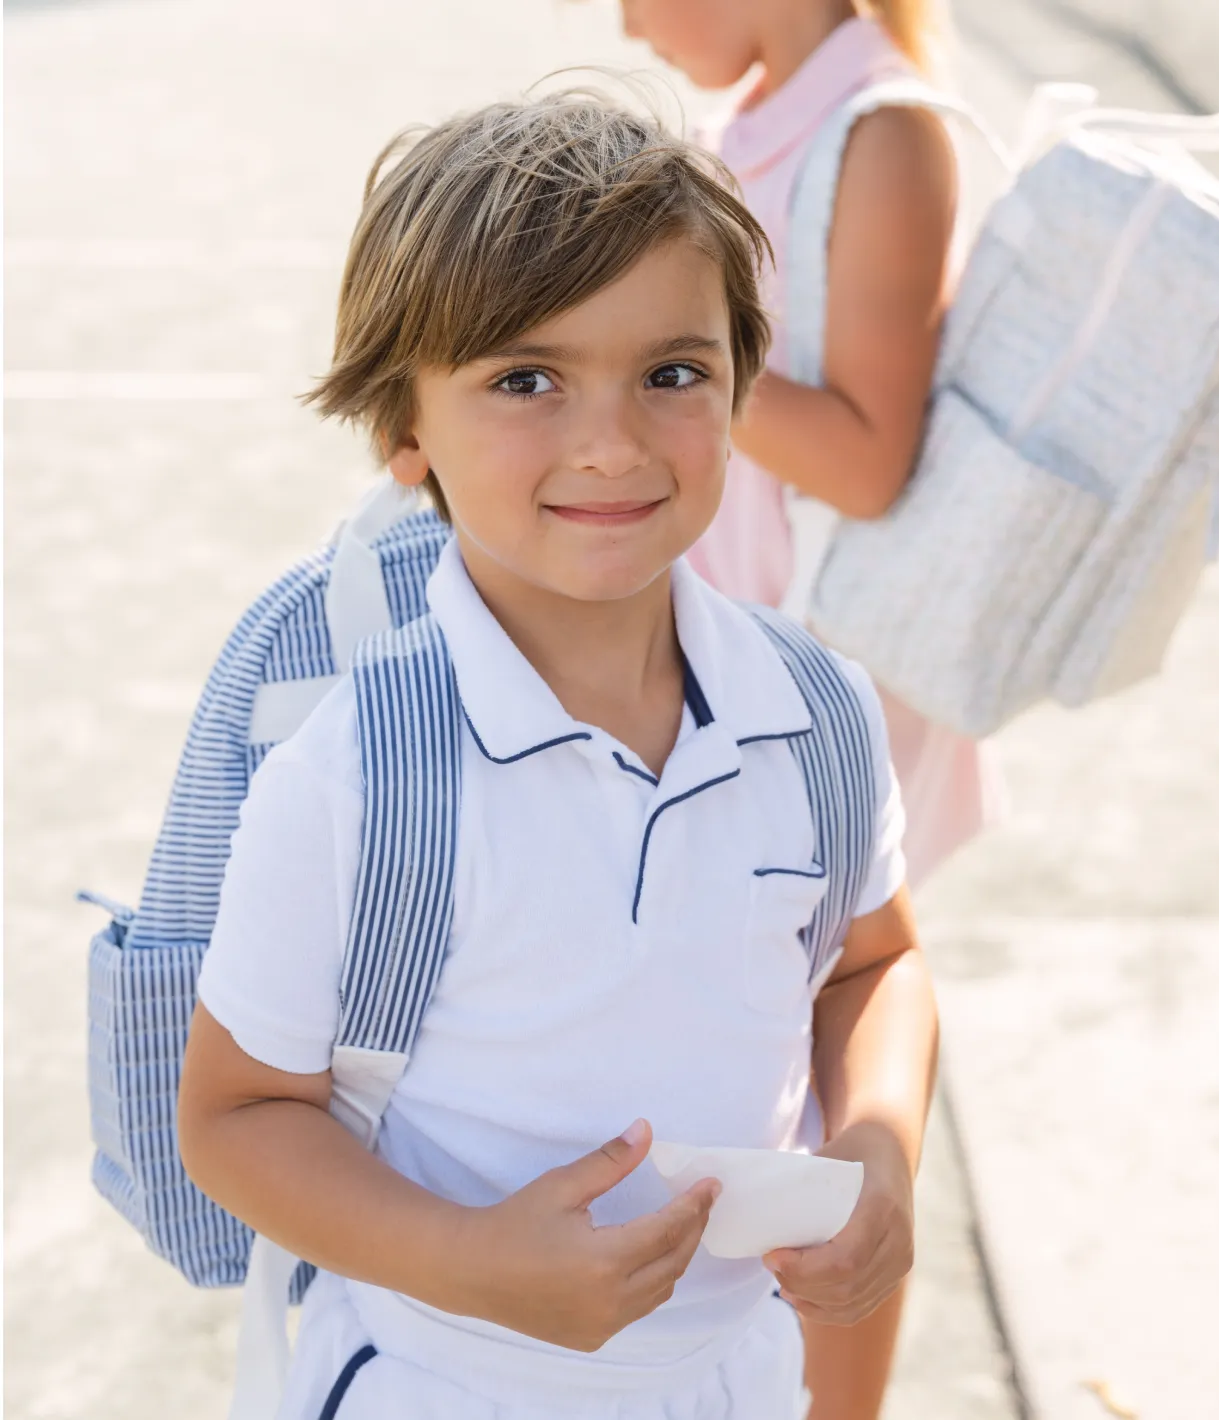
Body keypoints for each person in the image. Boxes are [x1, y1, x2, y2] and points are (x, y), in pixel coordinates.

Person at [175, 95, 939, 1420]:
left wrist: (876, 1144)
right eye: (525, 380)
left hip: (733, 1382)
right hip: (436, 1381)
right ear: (404, 433)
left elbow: (874, 961)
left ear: (741, 388)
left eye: (672, 372)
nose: (613, 442)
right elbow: (235, 1117)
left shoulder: (815, 710)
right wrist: (472, 1264)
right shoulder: (362, 776)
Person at [616, 3, 990, 1415]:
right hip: (716, 666)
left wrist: (666, 349)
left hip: (811, 681)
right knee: (753, 1082)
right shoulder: (765, 113)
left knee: (833, 1108)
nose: (624, 20)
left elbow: (874, 457)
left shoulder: (883, 131)